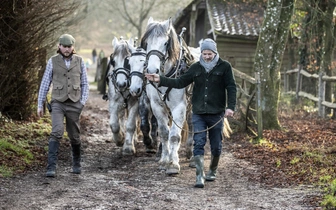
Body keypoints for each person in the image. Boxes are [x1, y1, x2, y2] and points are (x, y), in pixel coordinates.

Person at [145, 38, 237, 188]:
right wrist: (159, 79)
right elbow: (180, 82)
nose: (207, 56)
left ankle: (212, 170)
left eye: (210, 54)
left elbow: (231, 87)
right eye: (205, 53)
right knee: (199, 143)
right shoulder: (195, 67)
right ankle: (199, 176)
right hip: (199, 112)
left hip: (217, 113)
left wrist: (230, 107)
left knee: (216, 146)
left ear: (215, 53)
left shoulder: (225, 67)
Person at [37, 34, 89, 177]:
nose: (66, 49)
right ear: (59, 46)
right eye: (64, 46)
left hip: (74, 103)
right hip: (58, 103)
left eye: (69, 47)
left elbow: (85, 83)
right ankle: (51, 167)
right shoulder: (52, 61)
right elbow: (45, 83)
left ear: (73, 47)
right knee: (57, 131)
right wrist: (40, 104)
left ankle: (76, 164)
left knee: (74, 136)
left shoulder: (80, 61)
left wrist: (82, 102)